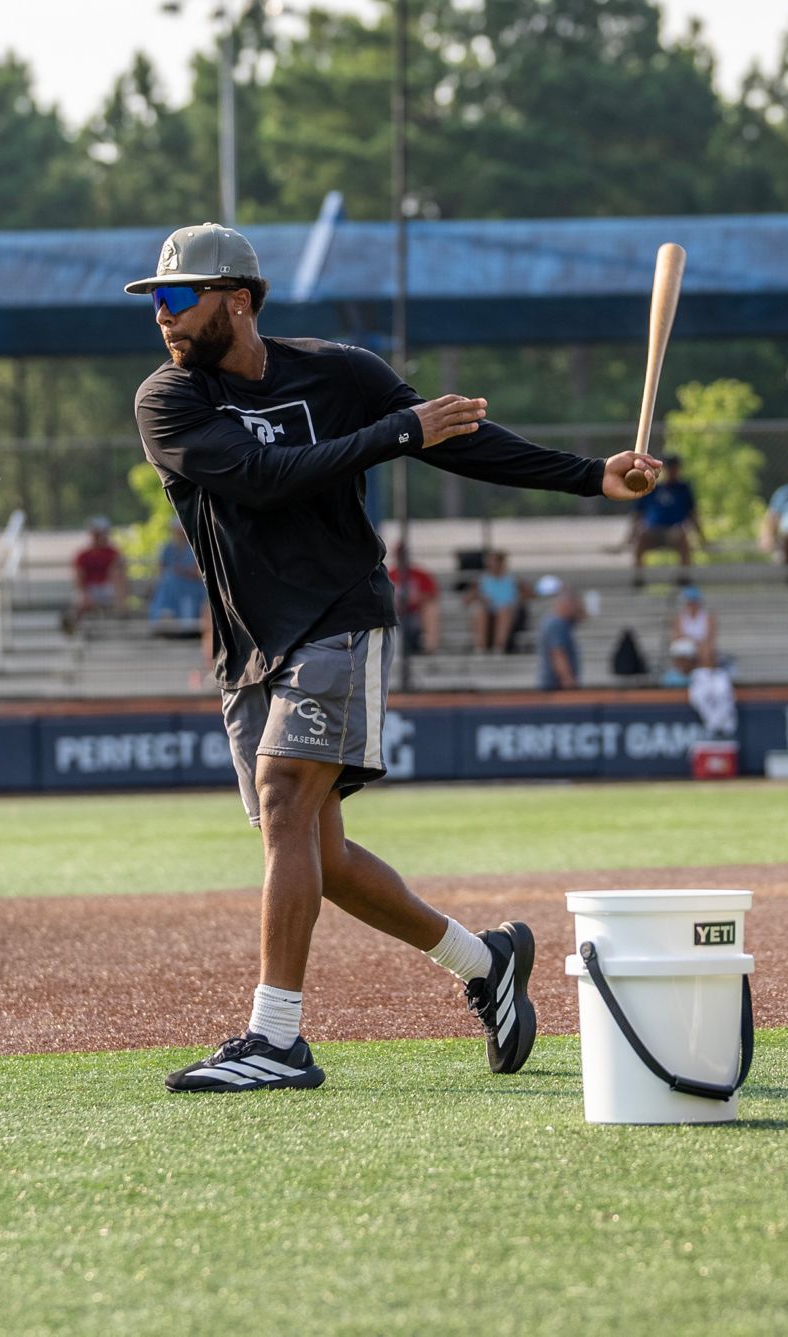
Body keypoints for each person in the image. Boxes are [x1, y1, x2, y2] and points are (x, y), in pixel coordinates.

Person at [129, 222, 660, 1093]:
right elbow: (267, 479)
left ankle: (277, 1037)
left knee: (283, 801)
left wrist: (592, 474)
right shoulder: (168, 400)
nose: (162, 314)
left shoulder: (339, 372)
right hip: (250, 647)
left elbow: (455, 436)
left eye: (177, 297)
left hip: (340, 615)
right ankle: (484, 961)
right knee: (316, 853)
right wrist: (398, 434)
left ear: (238, 300)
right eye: (155, 299)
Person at [628, 453, 704, 584]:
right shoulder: (651, 487)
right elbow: (638, 515)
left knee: (682, 535)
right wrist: (628, 539)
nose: (673, 472)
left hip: (673, 532)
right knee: (641, 535)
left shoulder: (683, 489)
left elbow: (692, 514)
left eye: (675, 468)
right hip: (653, 530)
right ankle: (638, 578)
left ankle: (683, 577)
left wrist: (702, 537)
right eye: (670, 468)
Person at [67, 517, 128, 632]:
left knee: (117, 573)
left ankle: (121, 618)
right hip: (90, 591)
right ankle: (74, 627)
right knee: (81, 599)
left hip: (108, 588)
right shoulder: (83, 555)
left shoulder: (113, 553)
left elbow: (119, 573)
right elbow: (78, 576)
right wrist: (85, 593)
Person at [464, 549, 526, 653]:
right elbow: (466, 601)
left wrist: (519, 599)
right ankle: (480, 647)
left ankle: (499, 647)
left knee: (504, 611)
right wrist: (477, 596)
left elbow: (527, 596)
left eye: (493, 561)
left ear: (501, 563)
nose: (490, 565)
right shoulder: (481, 580)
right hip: (488, 611)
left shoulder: (513, 580)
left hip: (506, 611)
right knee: (479, 611)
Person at [147, 525, 206, 630]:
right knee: (169, 580)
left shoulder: (196, 547)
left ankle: (167, 611)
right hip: (172, 585)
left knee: (171, 580)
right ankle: (166, 612)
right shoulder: (168, 548)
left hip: (192, 586)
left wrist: (182, 570)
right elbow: (161, 569)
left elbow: (200, 574)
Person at [387, 543, 442, 655]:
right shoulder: (389, 575)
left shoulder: (420, 574)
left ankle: (430, 647)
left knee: (431, 609)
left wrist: (416, 599)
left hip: (416, 614)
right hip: (396, 614)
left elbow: (433, 594)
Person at [536, 586, 585, 690]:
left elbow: (583, 617)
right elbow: (557, 653)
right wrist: (567, 679)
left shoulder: (562, 624)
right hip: (555, 686)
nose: (576, 610)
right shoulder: (556, 624)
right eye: (574, 606)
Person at [670, 583, 718, 667]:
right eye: (689, 602)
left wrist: (697, 644)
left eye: (692, 602)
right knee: (680, 651)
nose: (691, 605)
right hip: (687, 644)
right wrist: (691, 641)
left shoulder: (707, 618)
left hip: (701, 645)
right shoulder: (680, 618)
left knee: (706, 651)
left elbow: (710, 638)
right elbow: (676, 636)